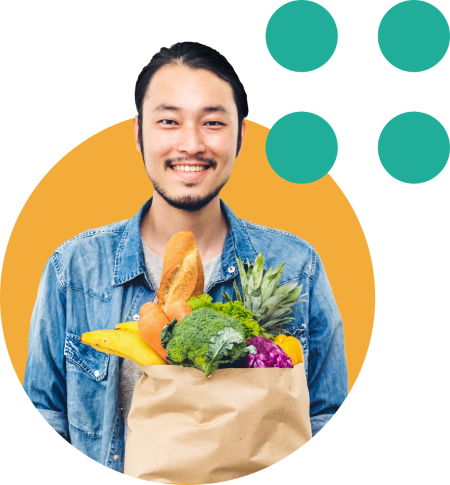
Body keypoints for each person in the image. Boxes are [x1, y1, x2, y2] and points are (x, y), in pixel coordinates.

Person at [23, 41, 348, 472]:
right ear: (138, 133)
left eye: (212, 122)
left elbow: (325, 416)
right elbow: (46, 415)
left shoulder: (297, 266)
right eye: (169, 121)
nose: (191, 143)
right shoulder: (75, 268)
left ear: (240, 135)